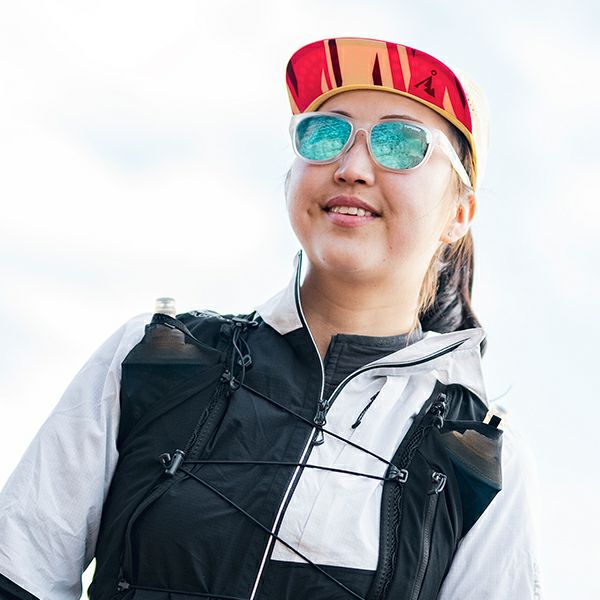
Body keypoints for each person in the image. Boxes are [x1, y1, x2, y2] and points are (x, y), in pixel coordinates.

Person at [0, 37, 541, 600]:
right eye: (326, 134)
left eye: (400, 144)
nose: (352, 167)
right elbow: (20, 576)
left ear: (460, 212)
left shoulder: (482, 462)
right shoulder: (154, 355)